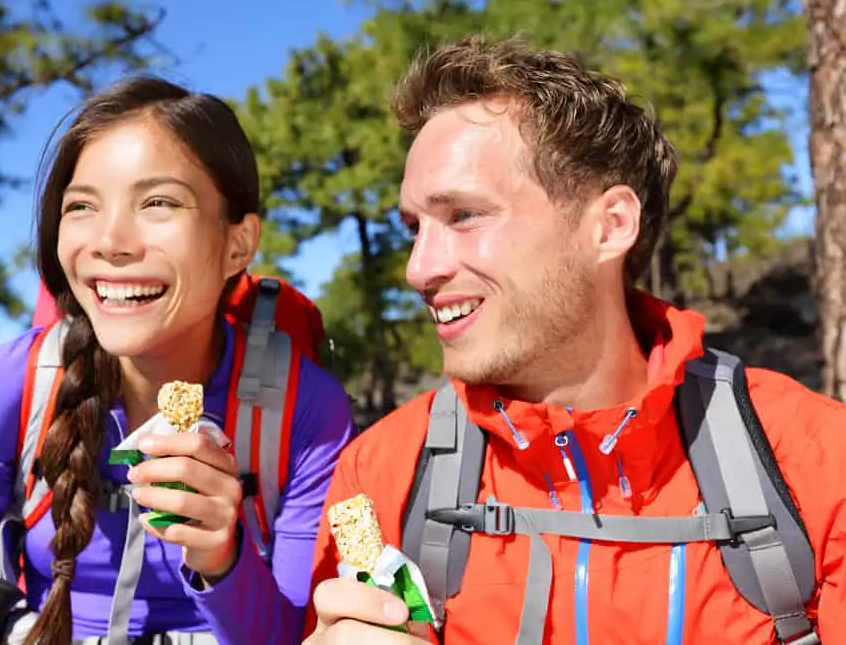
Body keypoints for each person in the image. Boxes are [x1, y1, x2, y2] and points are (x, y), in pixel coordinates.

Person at [302, 35, 846, 644]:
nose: (418, 268)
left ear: (610, 226)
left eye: (464, 215)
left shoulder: (817, 464)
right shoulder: (380, 473)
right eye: (414, 227)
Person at [0, 76, 356, 645]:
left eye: (158, 202)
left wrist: (223, 559)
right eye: (82, 207)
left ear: (237, 245)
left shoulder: (304, 410)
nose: (110, 240)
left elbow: (297, 635)